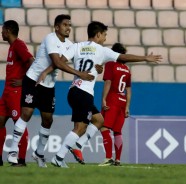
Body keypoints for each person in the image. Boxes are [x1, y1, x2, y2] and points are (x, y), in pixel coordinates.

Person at [47, 21, 162, 168]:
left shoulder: (76, 46)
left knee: (99, 120)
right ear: (98, 34)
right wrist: (145, 58)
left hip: (74, 91)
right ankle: (59, 156)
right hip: (84, 93)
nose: (105, 39)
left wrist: (78, 72)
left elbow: (60, 62)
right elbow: (123, 57)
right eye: (104, 35)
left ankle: (77, 146)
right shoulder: (101, 50)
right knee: (80, 128)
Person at [7, 14, 95, 167]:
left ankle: (39, 153)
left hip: (48, 86)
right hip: (33, 80)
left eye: (69, 25)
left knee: (47, 120)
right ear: (56, 27)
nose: (68, 28)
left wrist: (96, 65)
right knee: (26, 113)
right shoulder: (50, 39)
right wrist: (79, 74)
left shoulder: (70, 45)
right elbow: (58, 62)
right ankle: (13, 150)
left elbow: (78, 60)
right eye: (65, 25)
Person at [0, 20, 34, 167]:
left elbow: (32, 62)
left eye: (3, 30)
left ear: (8, 30)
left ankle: (21, 160)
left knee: (18, 124)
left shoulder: (19, 45)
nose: (1, 33)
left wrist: (23, 81)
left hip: (15, 92)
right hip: (7, 92)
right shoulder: (12, 47)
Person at [97, 43, 131, 166]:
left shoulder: (111, 64)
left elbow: (108, 82)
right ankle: (118, 160)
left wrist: (104, 99)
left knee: (104, 127)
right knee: (117, 131)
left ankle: (108, 158)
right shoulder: (127, 70)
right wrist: (127, 107)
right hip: (122, 101)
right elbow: (128, 89)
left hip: (112, 99)